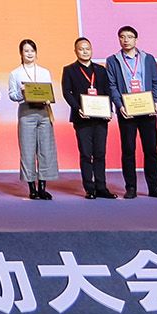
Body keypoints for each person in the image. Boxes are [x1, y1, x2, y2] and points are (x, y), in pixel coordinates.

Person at [106, 25, 157, 199]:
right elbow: (112, 85)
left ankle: (154, 187)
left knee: (151, 150)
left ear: (136, 39)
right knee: (128, 150)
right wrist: (119, 106)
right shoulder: (113, 60)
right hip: (127, 111)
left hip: (147, 111)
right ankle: (131, 187)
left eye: (129, 36)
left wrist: (155, 102)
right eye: (122, 37)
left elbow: (156, 82)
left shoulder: (148, 58)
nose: (126, 40)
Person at [62, 37, 116, 199]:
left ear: (91, 50)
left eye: (87, 48)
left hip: (100, 118)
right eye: (81, 49)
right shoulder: (69, 70)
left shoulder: (101, 70)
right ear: (75, 51)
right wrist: (78, 108)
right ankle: (89, 188)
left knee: (100, 153)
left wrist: (109, 110)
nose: (85, 51)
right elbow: (67, 92)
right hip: (82, 118)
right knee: (86, 154)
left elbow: (107, 91)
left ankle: (101, 187)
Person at [7, 39, 58, 200]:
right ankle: (31, 188)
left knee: (46, 149)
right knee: (27, 150)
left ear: (36, 53)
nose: (29, 54)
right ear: (21, 53)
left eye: (32, 51)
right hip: (26, 112)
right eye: (26, 51)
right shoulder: (15, 73)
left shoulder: (44, 72)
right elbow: (12, 95)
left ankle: (42, 187)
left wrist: (48, 98)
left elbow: (49, 91)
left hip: (44, 111)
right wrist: (22, 92)